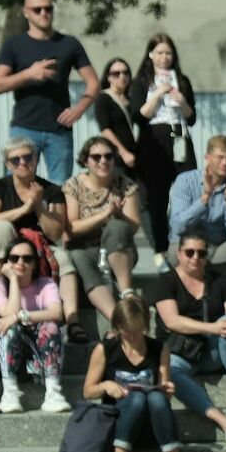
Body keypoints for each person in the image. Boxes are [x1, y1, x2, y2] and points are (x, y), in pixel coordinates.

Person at [0, 138, 87, 343]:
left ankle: (72, 320)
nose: (22, 162)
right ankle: (5, 299)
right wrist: (24, 209)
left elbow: (55, 233)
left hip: (38, 248)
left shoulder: (52, 191)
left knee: (63, 258)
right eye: (15, 159)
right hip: (5, 248)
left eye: (27, 157)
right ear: (8, 164)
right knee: (1, 227)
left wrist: (39, 206)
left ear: (36, 159)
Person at [152, 228, 226, 446]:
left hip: (213, 352)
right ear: (178, 254)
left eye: (201, 253)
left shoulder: (220, 281)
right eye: (189, 252)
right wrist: (212, 328)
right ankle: (224, 421)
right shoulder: (166, 282)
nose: (196, 258)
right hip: (180, 352)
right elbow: (172, 321)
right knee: (168, 370)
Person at [0, 0, 100, 183]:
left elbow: (93, 81)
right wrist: (29, 74)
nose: (44, 13)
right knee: (16, 186)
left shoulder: (69, 43)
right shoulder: (14, 44)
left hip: (59, 129)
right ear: (26, 12)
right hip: (24, 127)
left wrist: (80, 108)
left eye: (48, 8)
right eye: (37, 9)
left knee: (60, 189)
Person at [81, 297, 184, 452]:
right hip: (119, 423)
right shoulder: (106, 349)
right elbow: (87, 391)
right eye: (127, 331)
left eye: (137, 330)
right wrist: (106, 386)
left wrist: (168, 389)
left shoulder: (159, 349)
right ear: (117, 327)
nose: (132, 336)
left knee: (155, 397)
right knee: (136, 399)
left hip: (152, 423)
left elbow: (164, 391)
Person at [167, 135, 226, 305]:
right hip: (189, 249)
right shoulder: (185, 181)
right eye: (220, 157)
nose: (225, 163)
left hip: (219, 252)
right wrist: (204, 198)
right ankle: (183, 303)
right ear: (207, 157)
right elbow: (178, 226)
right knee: (177, 249)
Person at [131, 34, 198, 261]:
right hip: (154, 135)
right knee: (156, 197)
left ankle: (186, 245)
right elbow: (138, 116)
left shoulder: (183, 79)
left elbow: (191, 118)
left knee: (187, 190)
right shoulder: (141, 81)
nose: (164, 57)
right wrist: (158, 94)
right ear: (151, 54)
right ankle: (160, 249)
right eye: (159, 52)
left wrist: (182, 101)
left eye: (168, 53)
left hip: (177, 132)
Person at [63, 136, 140, 323]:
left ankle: (126, 291)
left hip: (119, 251)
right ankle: (119, 320)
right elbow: (71, 227)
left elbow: (134, 226)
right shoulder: (73, 186)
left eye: (108, 156)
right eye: (96, 157)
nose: (103, 161)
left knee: (117, 226)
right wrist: (104, 214)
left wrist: (119, 215)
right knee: (78, 256)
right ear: (85, 160)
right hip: (85, 250)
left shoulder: (126, 185)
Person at [0, 238, 66, 414]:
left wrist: (19, 316)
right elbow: (7, 315)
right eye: (14, 258)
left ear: (35, 264)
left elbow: (57, 313)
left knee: (51, 326)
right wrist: (14, 281)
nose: (20, 263)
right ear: (6, 262)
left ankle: (53, 393)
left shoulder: (46, 284)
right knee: (9, 329)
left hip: (39, 351)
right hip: (10, 350)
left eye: (27, 258)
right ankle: (9, 393)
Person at [93, 58, 138, 173]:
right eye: (116, 74)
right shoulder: (103, 98)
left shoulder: (131, 100)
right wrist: (123, 153)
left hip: (134, 154)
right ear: (108, 77)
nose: (122, 76)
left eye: (125, 72)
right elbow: (105, 130)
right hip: (116, 156)